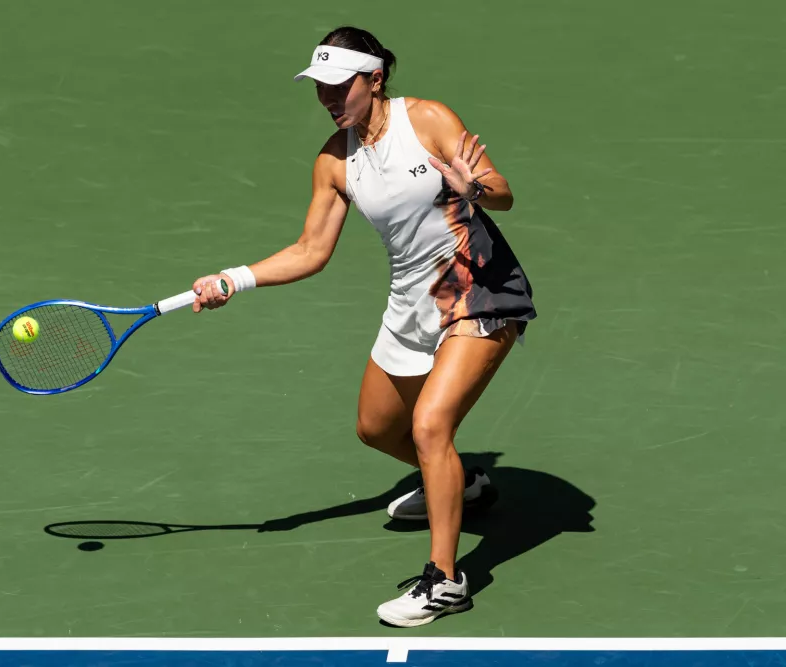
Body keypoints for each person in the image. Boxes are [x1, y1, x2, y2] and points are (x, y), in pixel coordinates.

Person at [190, 26, 536, 628]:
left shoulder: (427, 119)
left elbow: (503, 193)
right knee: (377, 428)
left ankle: (446, 581)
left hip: (478, 289)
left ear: (374, 80)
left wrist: (472, 188)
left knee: (431, 425)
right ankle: (462, 484)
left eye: (339, 85)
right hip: (411, 299)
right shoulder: (335, 159)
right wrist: (233, 278)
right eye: (319, 87)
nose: (328, 97)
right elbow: (310, 250)